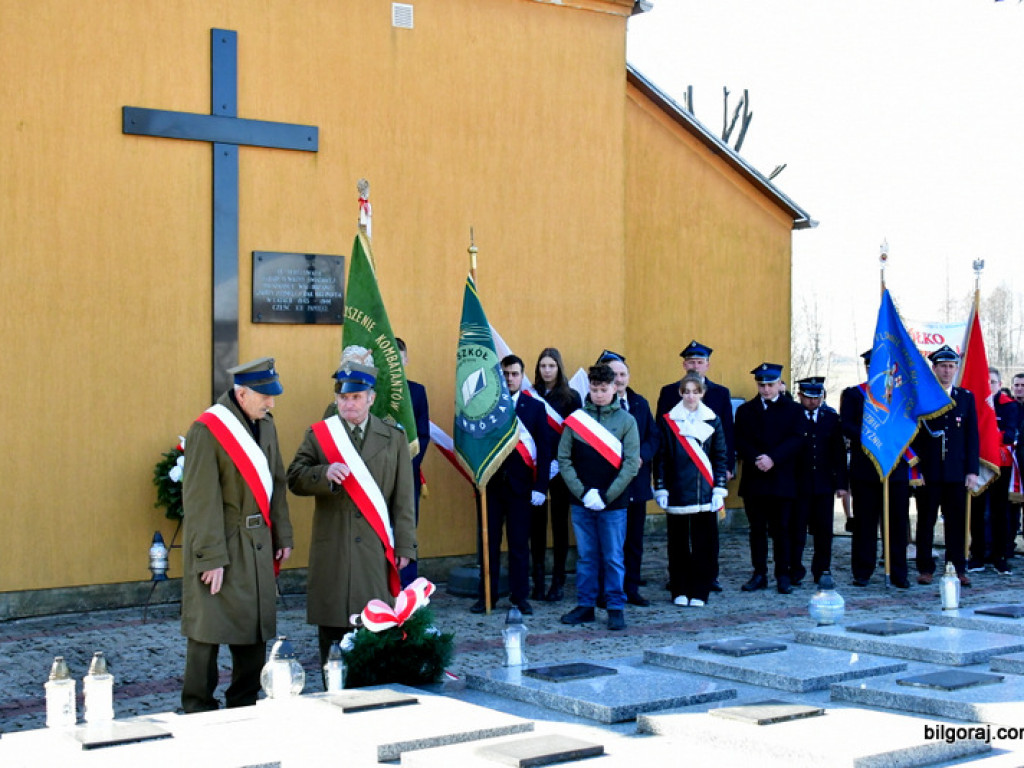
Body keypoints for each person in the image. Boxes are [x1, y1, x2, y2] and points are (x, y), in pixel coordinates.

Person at [287, 348, 417, 671]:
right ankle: (333, 691)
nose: (348, 404)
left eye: (356, 397)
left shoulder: (393, 438)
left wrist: (405, 545)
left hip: (374, 552)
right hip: (334, 551)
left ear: (371, 399)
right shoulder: (320, 436)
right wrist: (323, 475)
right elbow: (294, 477)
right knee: (332, 636)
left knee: (374, 628)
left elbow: (403, 498)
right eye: (343, 398)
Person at [180, 357, 294, 713]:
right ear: (242, 394)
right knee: (207, 634)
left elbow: (276, 483)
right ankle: (197, 707)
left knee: (254, 630)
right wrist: (211, 557)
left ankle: (245, 704)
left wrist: (283, 536)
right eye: (265, 396)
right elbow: (201, 500)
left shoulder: (267, 426)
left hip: (258, 546)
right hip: (223, 546)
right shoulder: (207, 430)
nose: (271, 402)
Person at [558, 363, 640, 630]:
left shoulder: (627, 421)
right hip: (581, 500)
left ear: (614, 388)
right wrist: (582, 492)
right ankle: (585, 605)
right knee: (586, 556)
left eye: (604, 390)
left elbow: (630, 464)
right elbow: (564, 458)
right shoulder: (577, 419)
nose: (599, 395)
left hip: (613, 502)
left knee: (613, 556)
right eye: (594, 390)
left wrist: (606, 495)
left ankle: (615, 606)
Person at [472, 354, 551, 615]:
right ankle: (488, 596)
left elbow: (544, 449)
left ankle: (520, 597)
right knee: (488, 544)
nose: (509, 379)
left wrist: (541, 486)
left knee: (519, 546)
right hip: (491, 487)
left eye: (514, 374)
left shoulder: (534, 407)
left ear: (522, 376)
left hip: (522, 488)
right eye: (505, 374)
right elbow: (477, 443)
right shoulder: (485, 406)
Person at [656, 340, 734, 592]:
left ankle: (709, 576)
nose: (695, 366)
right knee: (678, 534)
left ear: (708, 365)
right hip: (679, 475)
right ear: (683, 364)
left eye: (700, 362)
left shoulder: (721, 393)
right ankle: (677, 578)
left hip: (707, 473)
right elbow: (662, 439)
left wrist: (726, 469)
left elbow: (726, 436)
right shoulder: (668, 392)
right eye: (691, 362)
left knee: (707, 533)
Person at [841, 350, 912, 589]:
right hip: (866, 469)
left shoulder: (902, 396)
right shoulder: (854, 394)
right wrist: (872, 435)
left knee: (897, 524)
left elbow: (913, 425)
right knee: (865, 524)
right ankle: (863, 571)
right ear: (867, 368)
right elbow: (847, 424)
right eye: (872, 366)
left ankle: (898, 571)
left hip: (895, 469)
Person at [734, 362, 805, 594]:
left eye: (770, 385)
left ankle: (782, 574)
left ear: (779, 384)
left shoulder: (793, 409)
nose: (765, 389)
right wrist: (757, 457)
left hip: (781, 478)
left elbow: (797, 439)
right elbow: (740, 440)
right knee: (757, 529)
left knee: (781, 529)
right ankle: (759, 573)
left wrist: (773, 458)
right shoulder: (746, 410)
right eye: (761, 385)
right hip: (755, 478)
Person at [912, 345, 979, 586]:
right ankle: (925, 567)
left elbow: (972, 436)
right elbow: (915, 436)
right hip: (929, 473)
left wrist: (972, 470)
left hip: (956, 473)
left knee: (957, 523)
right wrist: (916, 470)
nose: (947, 371)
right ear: (934, 368)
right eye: (943, 366)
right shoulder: (924, 397)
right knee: (926, 522)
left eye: (951, 366)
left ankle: (957, 567)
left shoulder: (966, 398)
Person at [599, 351, 658, 606]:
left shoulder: (639, 403)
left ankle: (631, 588)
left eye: (623, 374)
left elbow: (653, 437)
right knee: (610, 542)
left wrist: (641, 456)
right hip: (611, 483)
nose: (620, 379)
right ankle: (607, 590)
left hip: (636, 482)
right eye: (614, 375)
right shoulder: (599, 405)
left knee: (634, 541)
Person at [528, 347, 581, 602]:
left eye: (551, 366)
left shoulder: (571, 397)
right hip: (536, 468)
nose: (546, 370)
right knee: (535, 525)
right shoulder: (531, 395)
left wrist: (561, 461)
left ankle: (558, 580)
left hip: (561, 469)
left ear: (559, 368)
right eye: (542, 366)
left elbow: (576, 433)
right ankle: (538, 579)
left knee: (560, 525)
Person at [792, 377, 848, 584]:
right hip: (799, 483)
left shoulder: (831, 418)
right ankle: (795, 569)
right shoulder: (794, 416)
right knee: (797, 530)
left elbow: (839, 453)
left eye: (817, 397)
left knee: (824, 531)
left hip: (824, 484)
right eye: (808, 397)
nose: (813, 402)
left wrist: (842, 484)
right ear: (800, 396)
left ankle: (822, 569)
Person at [966, 367, 1018, 575]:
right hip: (977, 464)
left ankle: (1000, 557)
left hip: (1000, 465)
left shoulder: (1009, 406)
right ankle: (977, 556)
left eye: (994, 382)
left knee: (999, 512)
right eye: (986, 382)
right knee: (976, 512)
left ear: (1000, 383)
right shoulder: (972, 402)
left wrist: (987, 439)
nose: (990, 386)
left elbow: (1009, 434)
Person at [396, 337, 431, 587]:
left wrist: (407, 466)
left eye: (399, 358)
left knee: (407, 532)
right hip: (376, 478)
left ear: (406, 360)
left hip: (408, 474)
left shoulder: (417, 391)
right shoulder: (370, 393)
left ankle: (408, 592)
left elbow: (423, 433)